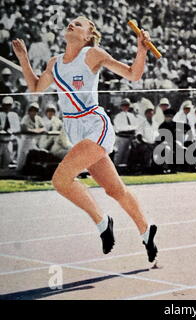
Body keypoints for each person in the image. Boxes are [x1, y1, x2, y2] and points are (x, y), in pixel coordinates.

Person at [12, 16, 158, 262]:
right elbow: (36, 87)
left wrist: (141, 49)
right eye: (71, 22)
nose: (72, 24)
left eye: (79, 24)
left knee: (60, 180)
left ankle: (103, 223)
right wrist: (24, 59)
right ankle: (147, 230)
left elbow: (133, 75)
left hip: (94, 125)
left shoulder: (92, 54)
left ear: (88, 35)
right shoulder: (54, 63)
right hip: (74, 129)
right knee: (115, 190)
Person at [113, 98, 143, 167]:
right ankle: (116, 169)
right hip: (121, 137)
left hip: (130, 137)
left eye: (127, 105)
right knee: (119, 154)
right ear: (121, 107)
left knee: (127, 155)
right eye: (124, 105)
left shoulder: (132, 116)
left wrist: (132, 127)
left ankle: (123, 170)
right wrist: (131, 127)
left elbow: (137, 125)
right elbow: (120, 128)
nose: (125, 107)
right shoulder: (118, 116)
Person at [0, 96, 20, 169]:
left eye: (9, 105)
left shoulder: (14, 115)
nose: (7, 107)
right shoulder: (0, 114)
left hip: (8, 142)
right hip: (0, 141)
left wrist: (11, 130)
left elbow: (17, 128)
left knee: (6, 163)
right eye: (5, 105)